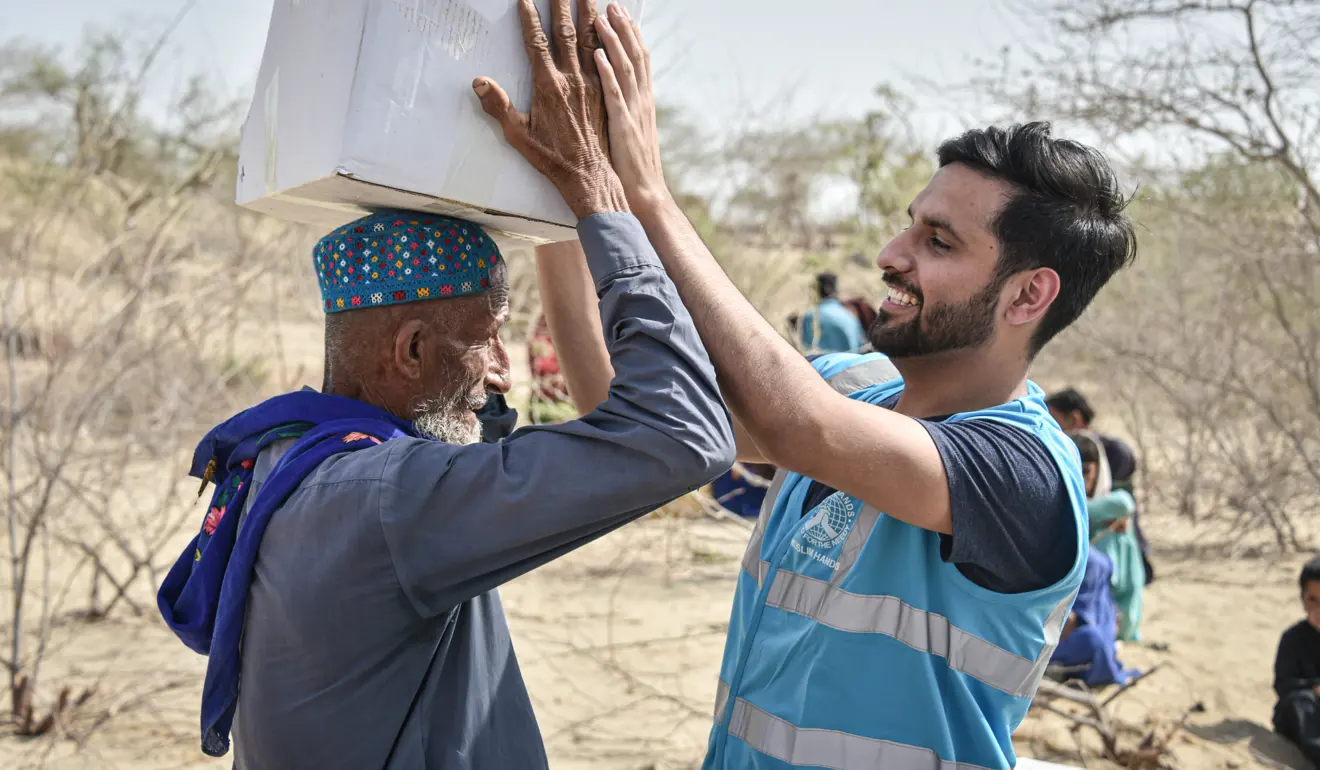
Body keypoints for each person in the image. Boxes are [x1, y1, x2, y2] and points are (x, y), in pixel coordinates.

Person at [474, 3, 1137, 767]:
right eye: (910, 224)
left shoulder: (1022, 474)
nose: (891, 253)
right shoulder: (849, 383)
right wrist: (570, 205)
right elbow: (626, 404)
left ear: (1028, 297)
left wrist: (640, 195)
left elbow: (801, 429)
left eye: (938, 241)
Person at [157, 29, 737, 766]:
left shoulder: (288, 457)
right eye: (489, 336)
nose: (504, 367)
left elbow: (483, 472)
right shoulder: (394, 502)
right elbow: (685, 435)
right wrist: (601, 195)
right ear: (411, 350)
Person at [1047, 387, 1155, 583]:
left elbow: (1121, 504)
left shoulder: (1114, 452)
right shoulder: (1053, 449)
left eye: (1054, 418)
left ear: (1075, 418)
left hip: (1115, 545)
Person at [1071, 431, 1145, 642]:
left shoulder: (1115, 503)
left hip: (1115, 612)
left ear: (1099, 471)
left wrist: (1072, 509)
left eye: (1086, 471)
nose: (1081, 479)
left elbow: (1125, 503)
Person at [1049, 548, 1138, 687]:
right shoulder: (1100, 566)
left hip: (1081, 646)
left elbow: (1068, 623)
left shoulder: (1078, 565)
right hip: (1104, 654)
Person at [1274, 557, 1320, 767]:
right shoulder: (1293, 638)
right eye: (1313, 600)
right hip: (1301, 716)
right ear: (1302, 599)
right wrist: (1313, 687)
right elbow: (1283, 684)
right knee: (1301, 702)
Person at [799, 272, 865, 353]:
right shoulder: (850, 315)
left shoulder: (811, 317)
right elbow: (860, 345)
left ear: (816, 292)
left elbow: (808, 349)